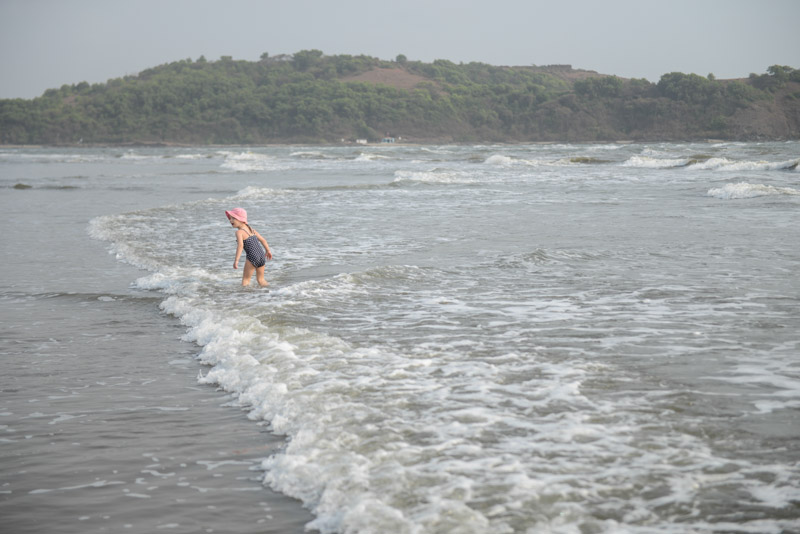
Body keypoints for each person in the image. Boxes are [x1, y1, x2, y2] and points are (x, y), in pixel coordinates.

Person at [225, 208, 272, 287]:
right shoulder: (252, 230)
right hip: (261, 256)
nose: (230, 220)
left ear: (241, 219)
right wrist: (268, 251)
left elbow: (240, 245)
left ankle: (245, 297)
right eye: (230, 218)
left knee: (245, 280)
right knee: (261, 280)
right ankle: (272, 292)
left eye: (233, 218)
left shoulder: (239, 232)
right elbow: (263, 240)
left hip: (252, 257)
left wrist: (236, 260)